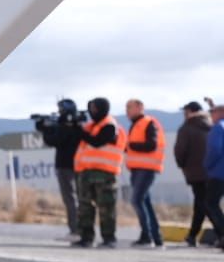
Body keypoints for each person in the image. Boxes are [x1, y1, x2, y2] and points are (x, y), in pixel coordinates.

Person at [73, 97, 124, 248]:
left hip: (105, 173)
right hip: (86, 172)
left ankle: (109, 238)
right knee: (84, 207)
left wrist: (80, 132)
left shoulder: (110, 125)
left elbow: (97, 141)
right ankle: (86, 237)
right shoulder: (91, 126)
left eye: (94, 108)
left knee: (106, 207)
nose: (91, 111)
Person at [35, 99, 82, 238]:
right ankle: (82, 228)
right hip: (79, 164)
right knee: (79, 198)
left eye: (61, 110)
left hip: (65, 166)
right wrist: (44, 127)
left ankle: (75, 229)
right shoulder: (77, 125)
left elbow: (54, 140)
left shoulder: (67, 128)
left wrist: (45, 131)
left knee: (70, 198)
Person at [123, 99, 166, 247]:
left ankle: (147, 237)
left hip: (146, 169)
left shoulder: (148, 123)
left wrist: (131, 145)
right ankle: (155, 237)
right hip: (137, 168)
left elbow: (151, 145)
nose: (127, 111)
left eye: (130, 107)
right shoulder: (135, 125)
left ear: (140, 107)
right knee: (145, 202)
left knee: (137, 200)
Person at [173, 101, 212, 246]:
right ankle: (192, 235)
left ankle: (220, 232)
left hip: (196, 172)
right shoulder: (211, 125)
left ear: (190, 112)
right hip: (212, 172)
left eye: (185, 111)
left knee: (206, 204)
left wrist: (182, 165)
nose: (184, 114)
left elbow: (180, 151)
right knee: (202, 204)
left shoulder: (187, 127)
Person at [201, 100, 224, 252]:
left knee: (210, 203)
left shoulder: (218, 128)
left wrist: (207, 165)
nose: (211, 115)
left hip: (218, 172)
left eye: (213, 112)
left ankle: (222, 234)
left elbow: (214, 149)